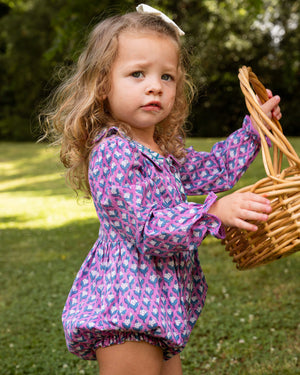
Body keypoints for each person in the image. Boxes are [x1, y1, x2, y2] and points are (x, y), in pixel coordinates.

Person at [41, 4, 282, 375]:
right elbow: (147, 228)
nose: (155, 85)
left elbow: (215, 170)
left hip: (157, 306)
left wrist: (255, 130)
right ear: (103, 85)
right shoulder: (113, 152)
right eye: (137, 74)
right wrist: (212, 213)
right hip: (125, 306)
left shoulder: (161, 151)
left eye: (166, 77)